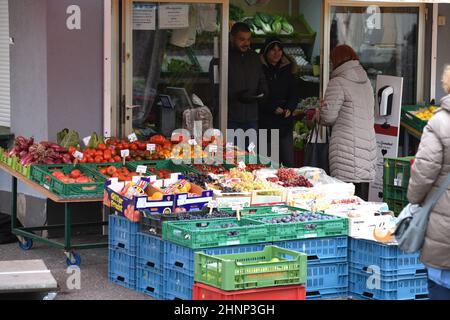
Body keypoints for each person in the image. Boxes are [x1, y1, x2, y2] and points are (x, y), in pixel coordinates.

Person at [407, 66, 450, 300]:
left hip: (444, 228)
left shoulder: (439, 122)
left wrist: (414, 200)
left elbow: (423, 172)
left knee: (441, 288)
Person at [318, 45, 376, 201]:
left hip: (346, 149)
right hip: (368, 148)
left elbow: (328, 117)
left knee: (345, 201)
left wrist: (318, 113)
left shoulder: (338, 82)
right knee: (361, 201)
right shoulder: (366, 81)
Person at [259, 37, 299, 167]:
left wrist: (290, 107)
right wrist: (272, 107)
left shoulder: (289, 68)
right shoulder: (259, 68)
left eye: (279, 50)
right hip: (266, 121)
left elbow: (294, 92)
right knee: (269, 163)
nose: (277, 53)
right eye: (273, 50)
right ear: (266, 52)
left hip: (284, 122)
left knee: (288, 162)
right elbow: (257, 93)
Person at [228, 22, 268, 133]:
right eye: (242, 39)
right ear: (232, 38)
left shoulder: (255, 57)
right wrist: (235, 96)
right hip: (230, 118)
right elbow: (216, 87)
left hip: (251, 118)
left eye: (248, 39)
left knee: (251, 151)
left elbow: (262, 79)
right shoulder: (224, 57)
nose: (246, 43)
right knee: (231, 150)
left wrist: (264, 92)